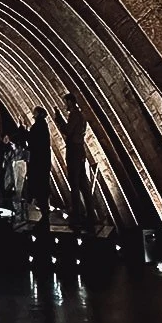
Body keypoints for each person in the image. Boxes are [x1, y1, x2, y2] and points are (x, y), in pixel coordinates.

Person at [58, 92, 96, 231]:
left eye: (66, 102)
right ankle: (90, 215)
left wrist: (60, 121)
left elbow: (68, 130)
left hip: (74, 150)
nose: (65, 106)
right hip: (79, 150)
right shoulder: (81, 116)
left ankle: (77, 215)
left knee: (75, 184)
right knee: (83, 184)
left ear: (70, 102)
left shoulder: (74, 115)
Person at [26, 106, 52, 231]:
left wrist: (24, 132)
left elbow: (32, 140)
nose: (33, 115)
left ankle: (44, 211)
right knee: (42, 184)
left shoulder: (38, 126)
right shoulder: (43, 126)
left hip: (38, 162)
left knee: (39, 184)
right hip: (43, 161)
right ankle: (44, 211)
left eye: (34, 113)